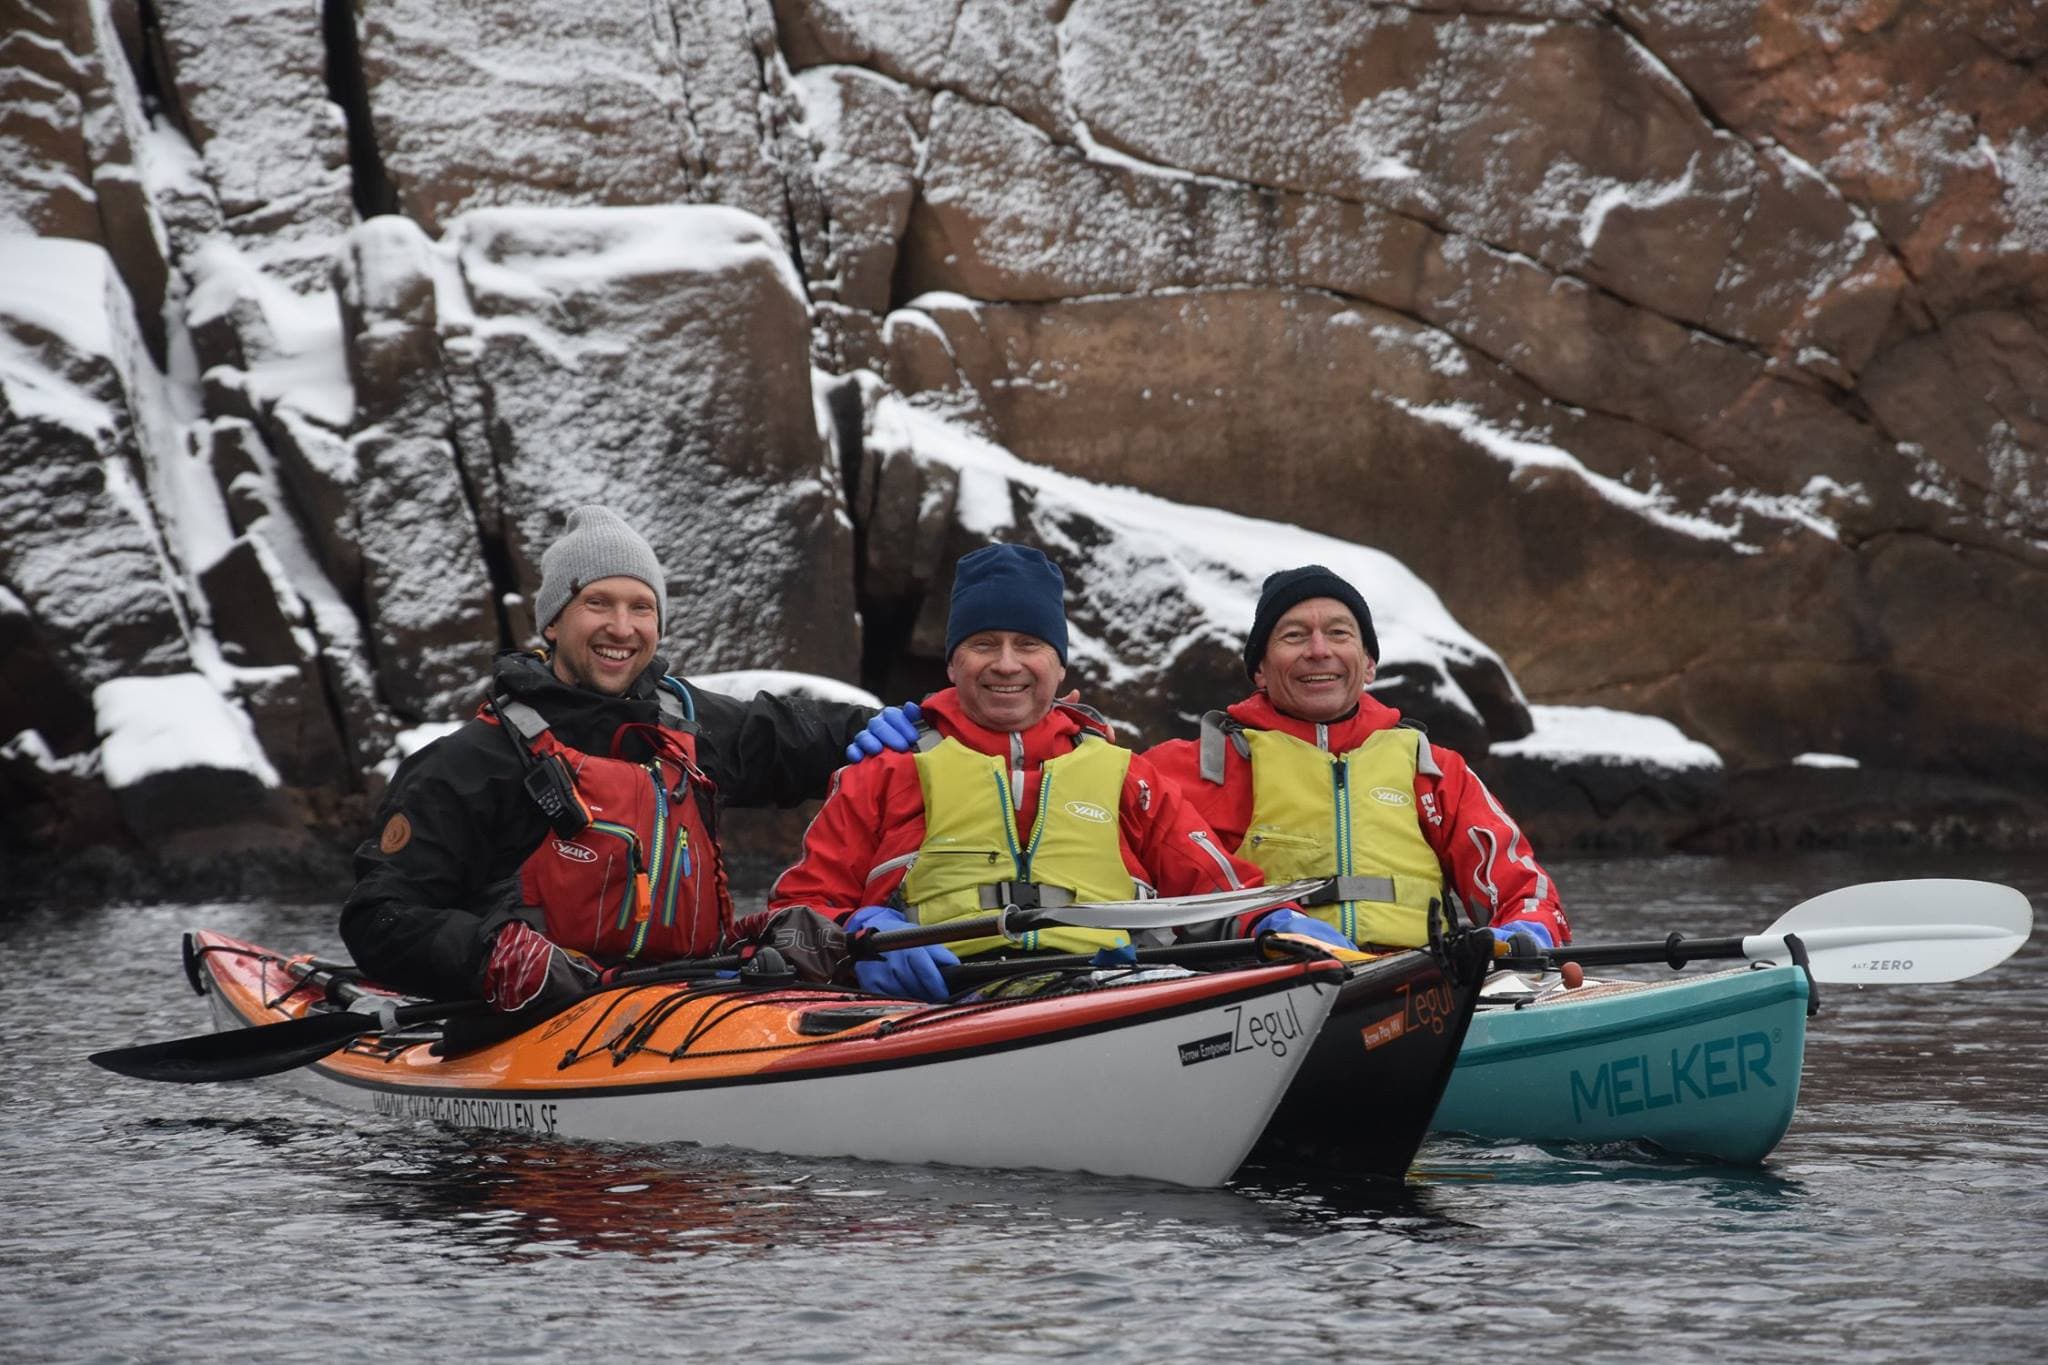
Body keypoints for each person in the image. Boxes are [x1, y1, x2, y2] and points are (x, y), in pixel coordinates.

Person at [340, 505, 912, 1013]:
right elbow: (378, 918)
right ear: (553, 621)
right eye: (597, 603)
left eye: (641, 607)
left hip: (690, 1002)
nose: (622, 627)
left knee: (804, 931)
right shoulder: (468, 762)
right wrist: (490, 956)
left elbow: (802, 736)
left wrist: (916, 724)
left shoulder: (690, 726)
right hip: (529, 1022)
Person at [766, 543, 1272, 1002]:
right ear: (952, 663)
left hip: (1109, 995)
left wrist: (1275, 921)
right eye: (984, 644)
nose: (1006, 664)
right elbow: (792, 913)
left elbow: (1224, 899)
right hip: (935, 1004)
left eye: (1028, 644)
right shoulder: (884, 771)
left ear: (1060, 665)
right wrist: (860, 935)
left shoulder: (1131, 779)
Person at [1145, 564, 1569, 955]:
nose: (1318, 650)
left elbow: (1519, 885)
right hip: (1269, 985)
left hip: (1421, 987)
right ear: (1259, 670)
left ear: (1368, 665)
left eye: (1339, 634)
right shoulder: (1192, 767)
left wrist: (1528, 930)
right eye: (1293, 636)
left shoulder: (1434, 770)